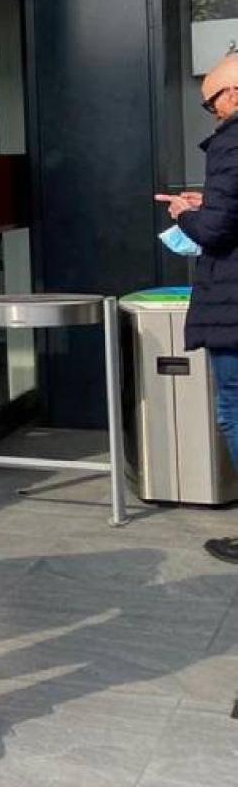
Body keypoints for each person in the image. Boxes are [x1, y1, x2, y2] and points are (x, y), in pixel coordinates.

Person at [160, 53, 238, 566]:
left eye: (212, 103)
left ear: (232, 95)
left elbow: (216, 231)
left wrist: (188, 214)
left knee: (234, 409)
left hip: (233, 306)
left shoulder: (233, 139)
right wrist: (209, 202)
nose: (213, 115)